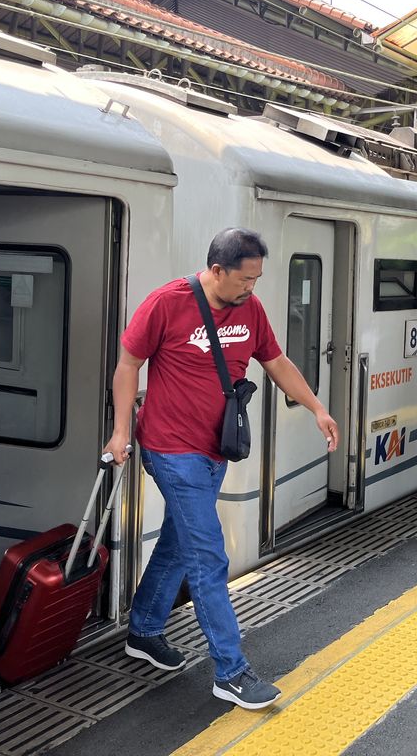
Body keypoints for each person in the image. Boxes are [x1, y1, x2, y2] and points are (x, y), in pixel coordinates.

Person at [103, 228, 339, 709]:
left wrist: (317, 407)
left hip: (216, 451)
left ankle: (144, 630)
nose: (253, 288)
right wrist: (122, 430)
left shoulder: (250, 309)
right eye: (246, 279)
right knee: (209, 557)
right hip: (171, 449)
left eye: (257, 279)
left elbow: (277, 362)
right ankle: (231, 672)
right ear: (217, 271)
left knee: (179, 540)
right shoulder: (167, 303)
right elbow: (128, 365)